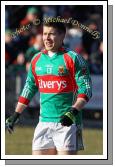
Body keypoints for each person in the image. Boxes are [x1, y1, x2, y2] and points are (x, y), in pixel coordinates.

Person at [6, 21, 92, 155]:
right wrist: (16, 114)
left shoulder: (73, 58)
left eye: (52, 34)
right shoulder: (37, 59)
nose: (47, 38)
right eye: (45, 33)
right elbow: (29, 87)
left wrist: (73, 112)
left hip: (67, 124)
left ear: (62, 36)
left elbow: (86, 89)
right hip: (44, 123)